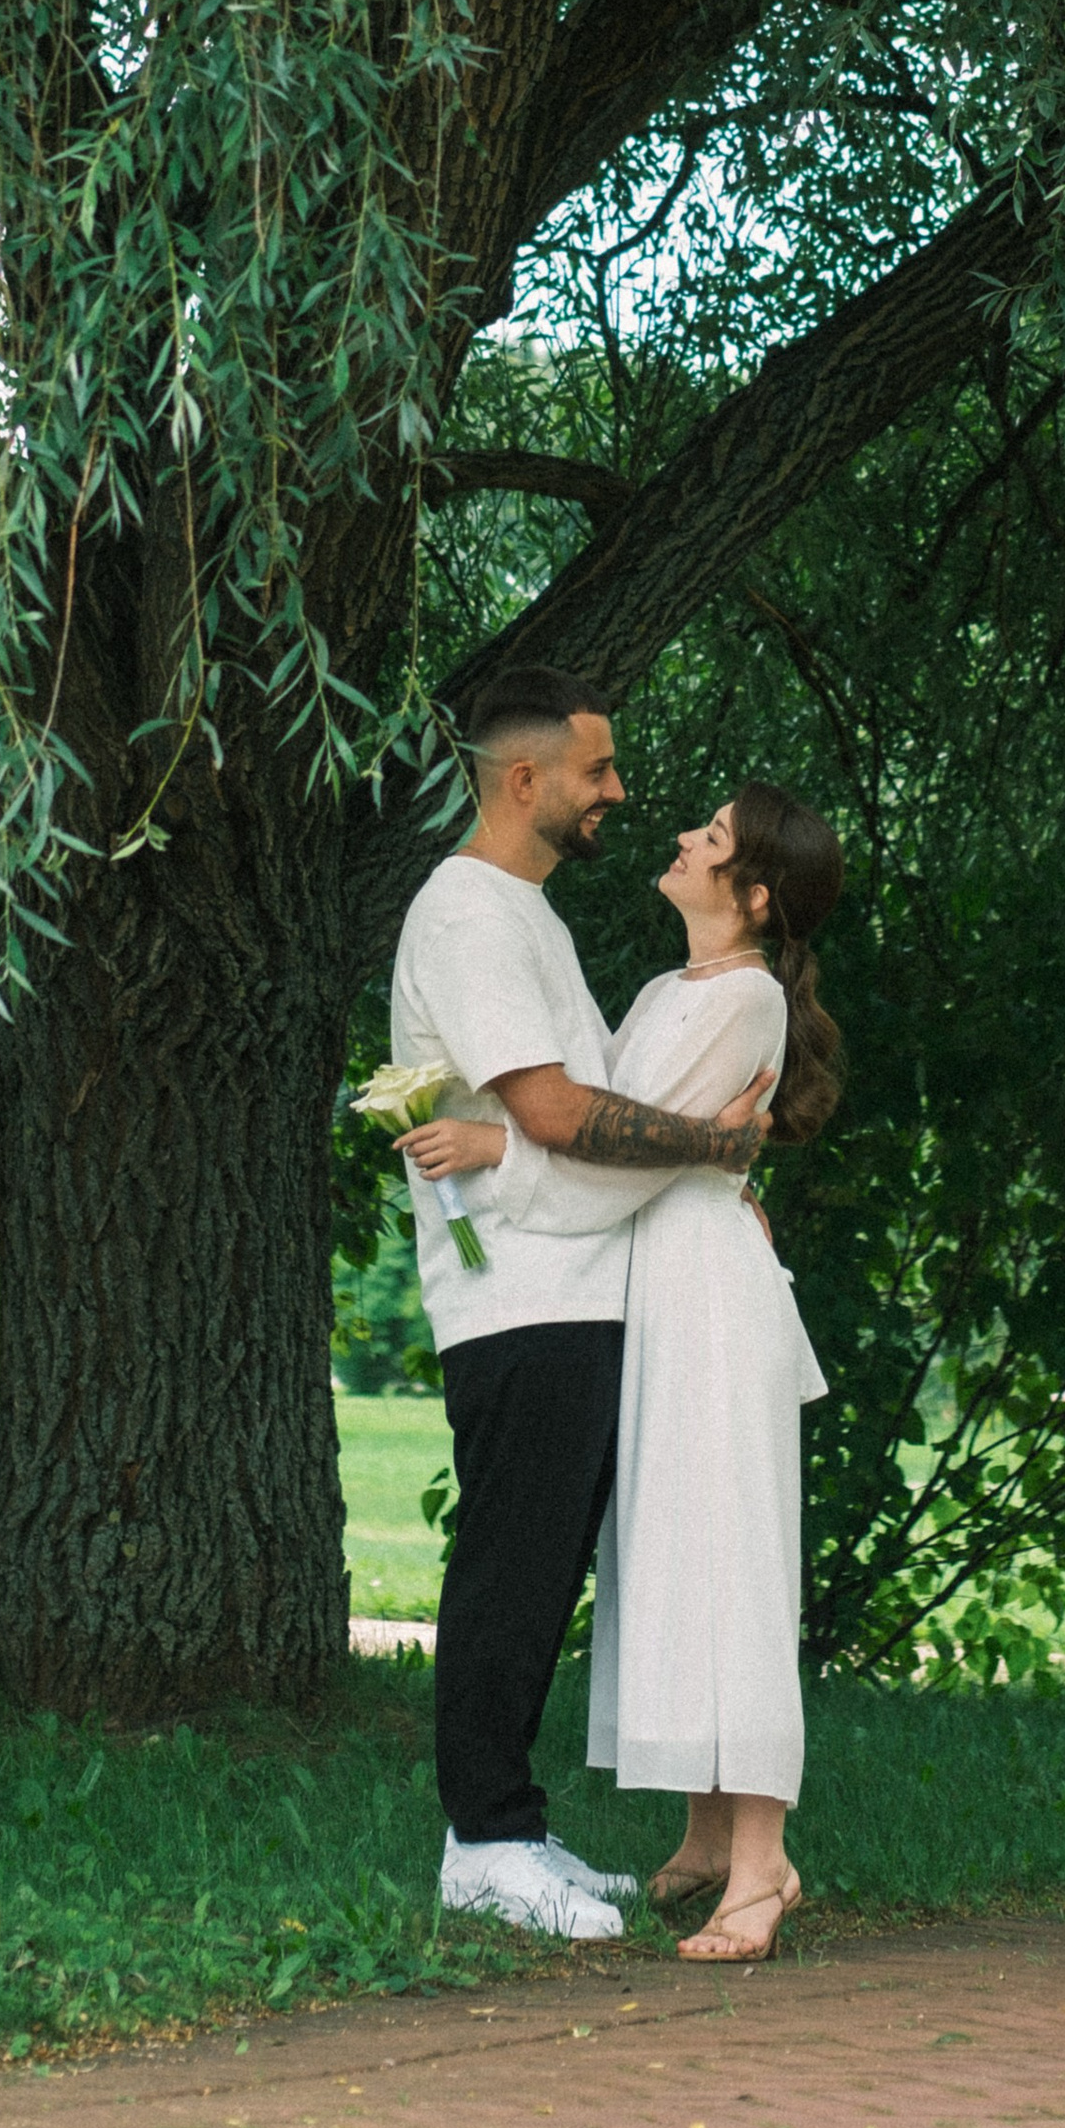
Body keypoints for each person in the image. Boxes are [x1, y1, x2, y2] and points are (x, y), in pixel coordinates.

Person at [408, 777, 844, 1964]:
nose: (680, 840)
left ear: (751, 895)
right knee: (676, 1549)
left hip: (701, 1286)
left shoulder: (744, 1001)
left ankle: (763, 1865)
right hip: (655, 1283)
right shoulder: (666, 989)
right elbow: (615, 1121)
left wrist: (494, 1149)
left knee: (733, 1555)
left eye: (709, 840)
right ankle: (711, 1833)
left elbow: (618, 1155)